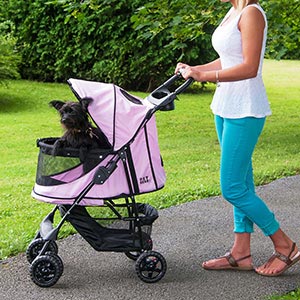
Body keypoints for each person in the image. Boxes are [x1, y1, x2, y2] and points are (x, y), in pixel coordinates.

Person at [175, 0, 300, 276]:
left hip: (246, 109)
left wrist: (204, 75)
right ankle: (241, 252)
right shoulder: (233, 12)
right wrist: (195, 69)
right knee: (243, 181)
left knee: (231, 187)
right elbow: (229, 59)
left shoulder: (252, 13)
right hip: (225, 105)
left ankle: (285, 244)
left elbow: (249, 67)